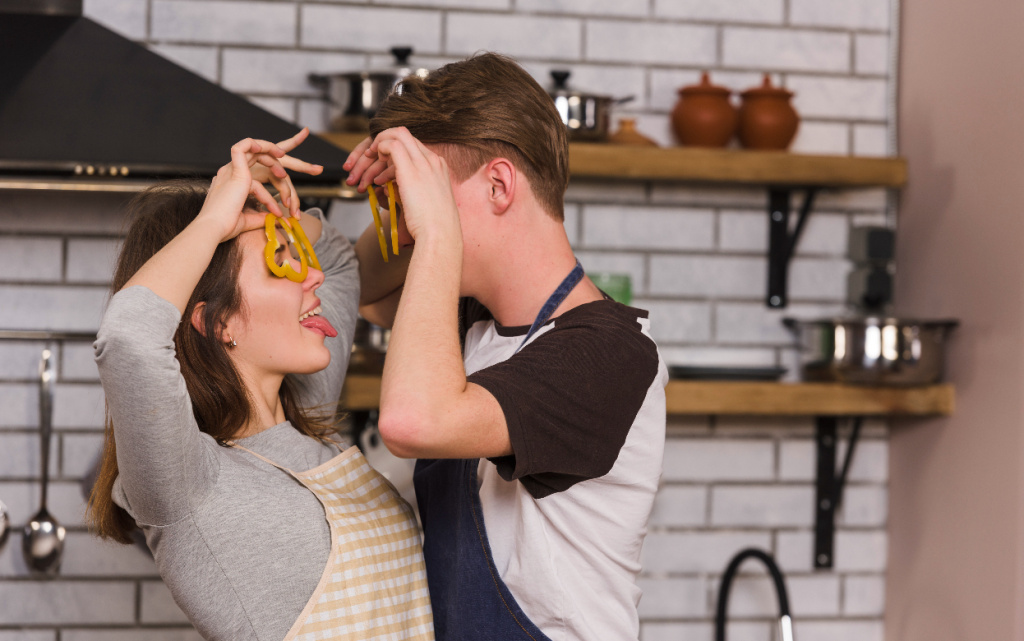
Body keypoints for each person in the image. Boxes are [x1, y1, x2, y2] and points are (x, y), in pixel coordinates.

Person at [345, 53, 668, 641]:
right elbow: (359, 286)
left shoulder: (610, 354)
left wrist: (437, 227)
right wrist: (396, 192)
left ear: (498, 185)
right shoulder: (474, 321)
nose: (413, 228)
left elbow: (413, 421)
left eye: (426, 199)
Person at [87, 130, 434, 641]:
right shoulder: (188, 485)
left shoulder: (308, 412)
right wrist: (213, 221)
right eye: (280, 262)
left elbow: (337, 258)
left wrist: (270, 207)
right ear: (217, 322)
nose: (311, 276)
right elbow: (128, 337)